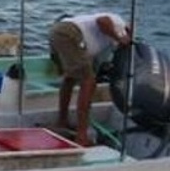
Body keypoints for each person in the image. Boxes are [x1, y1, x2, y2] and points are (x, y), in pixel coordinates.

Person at [49, 12, 131, 146]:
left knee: (69, 78)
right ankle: (82, 136)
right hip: (70, 33)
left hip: (57, 31)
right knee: (88, 82)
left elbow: (96, 61)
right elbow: (102, 21)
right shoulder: (119, 24)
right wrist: (120, 38)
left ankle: (62, 121)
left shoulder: (105, 43)